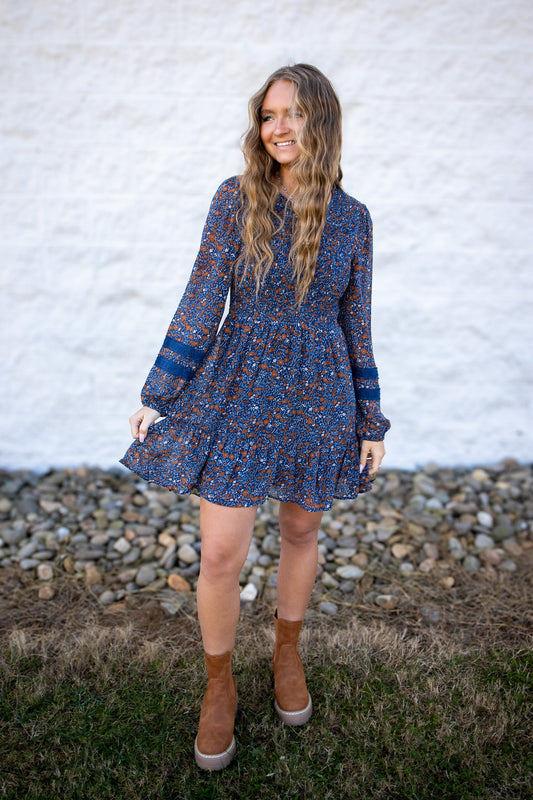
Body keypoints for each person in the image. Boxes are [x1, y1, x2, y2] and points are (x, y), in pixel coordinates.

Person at [120, 63, 390, 771]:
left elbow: (356, 325)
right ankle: (219, 685)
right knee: (219, 554)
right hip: (239, 386)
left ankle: (286, 653)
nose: (277, 127)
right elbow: (201, 298)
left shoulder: (353, 219)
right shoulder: (233, 199)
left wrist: (370, 420)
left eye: (292, 113)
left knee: (301, 530)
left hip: (319, 391)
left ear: (320, 121)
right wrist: (158, 392)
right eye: (268, 115)